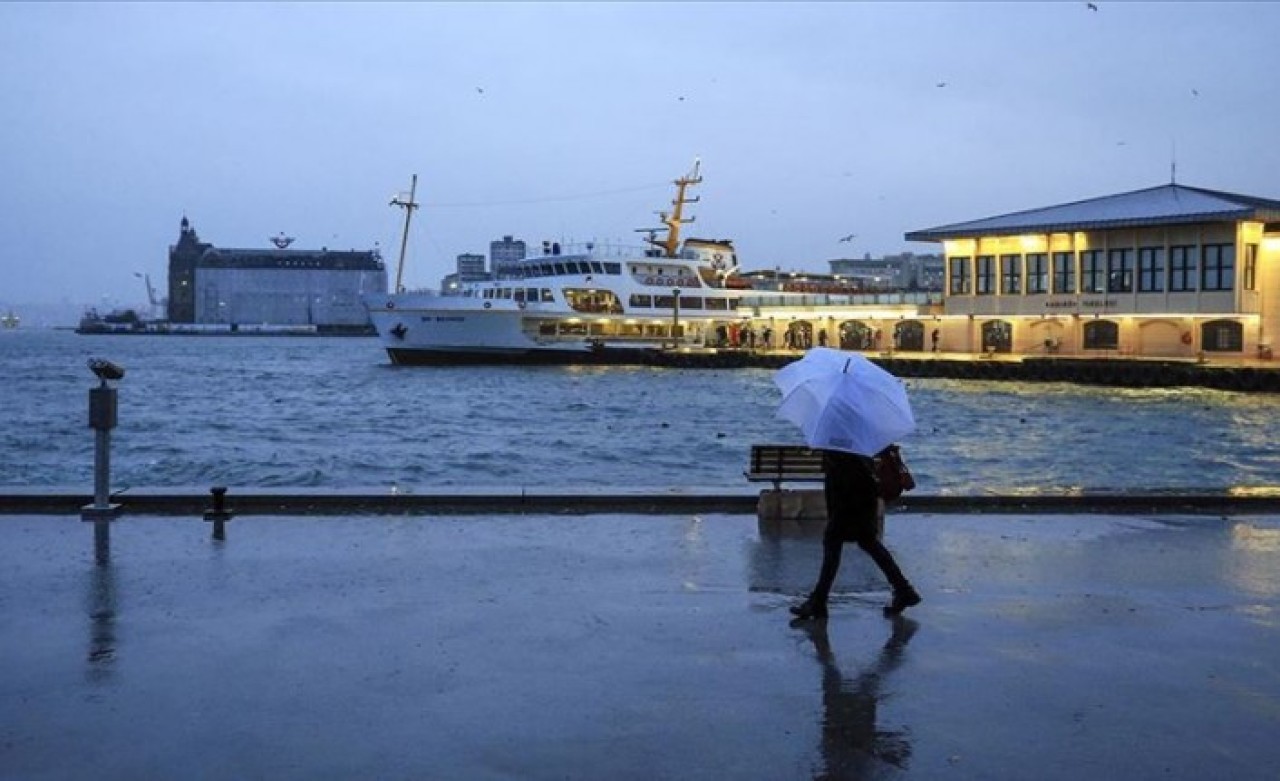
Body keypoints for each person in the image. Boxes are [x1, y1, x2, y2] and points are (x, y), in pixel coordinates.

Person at [790, 449, 921, 620]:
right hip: (860, 493)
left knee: (835, 542)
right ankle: (904, 590)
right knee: (866, 542)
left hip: (849, 495)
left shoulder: (840, 439)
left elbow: (843, 467)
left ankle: (818, 601)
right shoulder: (858, 435)